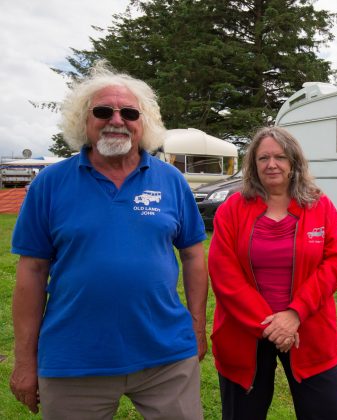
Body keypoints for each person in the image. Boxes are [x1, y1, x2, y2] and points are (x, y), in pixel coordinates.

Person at [9, 61, 208, 419]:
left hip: (166, 356)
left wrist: (197, 326)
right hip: (74, 359)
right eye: (103, 111)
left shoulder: (171, 180)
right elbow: (32, 272)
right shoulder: (50, 183)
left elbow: (194, 256)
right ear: (83, 121)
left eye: (129, 112)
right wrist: (25, 360)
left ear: (142, 122)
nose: (116, 120)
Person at [208, 126, 337, 419]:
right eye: (263, 158)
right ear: (253, 165)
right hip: (244, 331)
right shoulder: (232, 209)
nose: (271, 164)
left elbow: (334, 263)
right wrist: (272, 326)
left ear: (294, 163)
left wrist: (295, 314)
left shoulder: (319, 206)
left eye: (280, 157)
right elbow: (224, 274)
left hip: (308, 329)